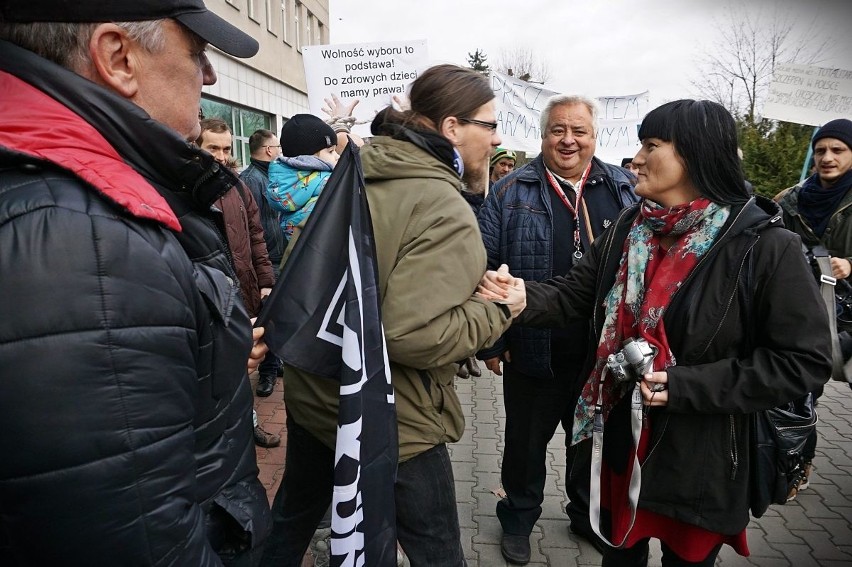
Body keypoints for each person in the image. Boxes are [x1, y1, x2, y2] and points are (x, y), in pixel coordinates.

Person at [479, 99, 832, 567]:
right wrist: (522, 297)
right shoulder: (632, 227)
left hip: (699, 459)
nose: (637, 157)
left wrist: (688, 386)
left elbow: (803, 362)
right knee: (619, 555)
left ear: (695, 154)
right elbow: (572, 295)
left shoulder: (764, 245)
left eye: (651, 145)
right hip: (624, 444)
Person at [0, 1, 273, 564]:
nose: (210, 76)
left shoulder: (70, 202)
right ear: (118, 57)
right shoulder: (87, 240)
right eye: (196, 54)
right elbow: (138, 541)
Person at [261, 63, 520, 566]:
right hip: (394, 421)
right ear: (451, 128)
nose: (495, 139)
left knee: (291, 521)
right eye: (489, 125)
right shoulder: (442, 207)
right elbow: (413, 334)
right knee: (438, 551)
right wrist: (497, 309)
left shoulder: (352, 174)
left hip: (317, 398)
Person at [478, 94, 638, 564]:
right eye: (557, 130)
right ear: (543, 135)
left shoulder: (624, 189)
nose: (568, 140)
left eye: (579, 131)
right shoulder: (510, 191)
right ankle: (519, 517)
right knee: (525, 446)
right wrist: (493, 339)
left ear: (594, 136)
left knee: (586, 444)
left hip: (599, 356)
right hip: (532, 348)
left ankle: (583, 513)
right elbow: (485, 269)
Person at [774, 117, 852, 498]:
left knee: (806, 389)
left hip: (837, 316)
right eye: (820, 149)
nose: (826, 157)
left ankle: (797, 465)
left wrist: (850, 264)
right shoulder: (791, 198)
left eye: (837, 150)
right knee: (786, 386)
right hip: (788, 306)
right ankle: (779, 459)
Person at [196, 118, 280, 448]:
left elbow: (256, 237)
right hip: (208, 297)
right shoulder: (185, 187)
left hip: (242, 292)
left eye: (226, 148)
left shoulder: (237, 185)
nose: (220, 155)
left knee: (245, 364)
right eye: (212, 147)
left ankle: (249, 423)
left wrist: (265, 281)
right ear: (197, 145)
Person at [240, 128, 286, 397]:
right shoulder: (250, 180)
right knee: (267, 318)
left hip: (278, 258)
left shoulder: (275, 176)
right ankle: (267, 373)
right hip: (268, 261)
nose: (280, 151)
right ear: (269, 150)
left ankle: (275, 360)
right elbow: (252, 229)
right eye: (277, 147)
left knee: (277, 317)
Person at [266, 113, 339, 245]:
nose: (337, 156)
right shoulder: (330, 184)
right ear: (310, 157)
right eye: (331, 151)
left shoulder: (283, 186)